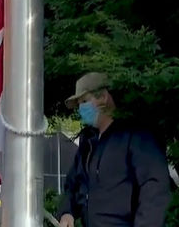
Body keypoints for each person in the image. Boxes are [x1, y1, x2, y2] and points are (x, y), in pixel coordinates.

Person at [57, 72, 172, 227]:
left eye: (84, 101)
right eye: (78, 105)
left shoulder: (136, 136)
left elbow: (154, 190)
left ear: (103, 97)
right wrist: (66, 212)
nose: (81, 109)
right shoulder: (88, 142)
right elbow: (73, 184)